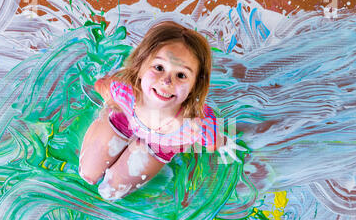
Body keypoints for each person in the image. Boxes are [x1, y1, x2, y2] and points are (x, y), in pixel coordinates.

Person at [79, 21, 242, 200]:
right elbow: (102, 86)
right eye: (159, 67)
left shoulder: (194, 125)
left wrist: (225, 143)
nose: (166, 81)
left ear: (194, 86)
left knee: (109, 192)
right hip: (123, 121)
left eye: (181, 75)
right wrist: (105, 95)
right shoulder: (125, 92)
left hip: (159, 146)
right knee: (87, 174)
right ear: (139, 68)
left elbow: (214, 140)